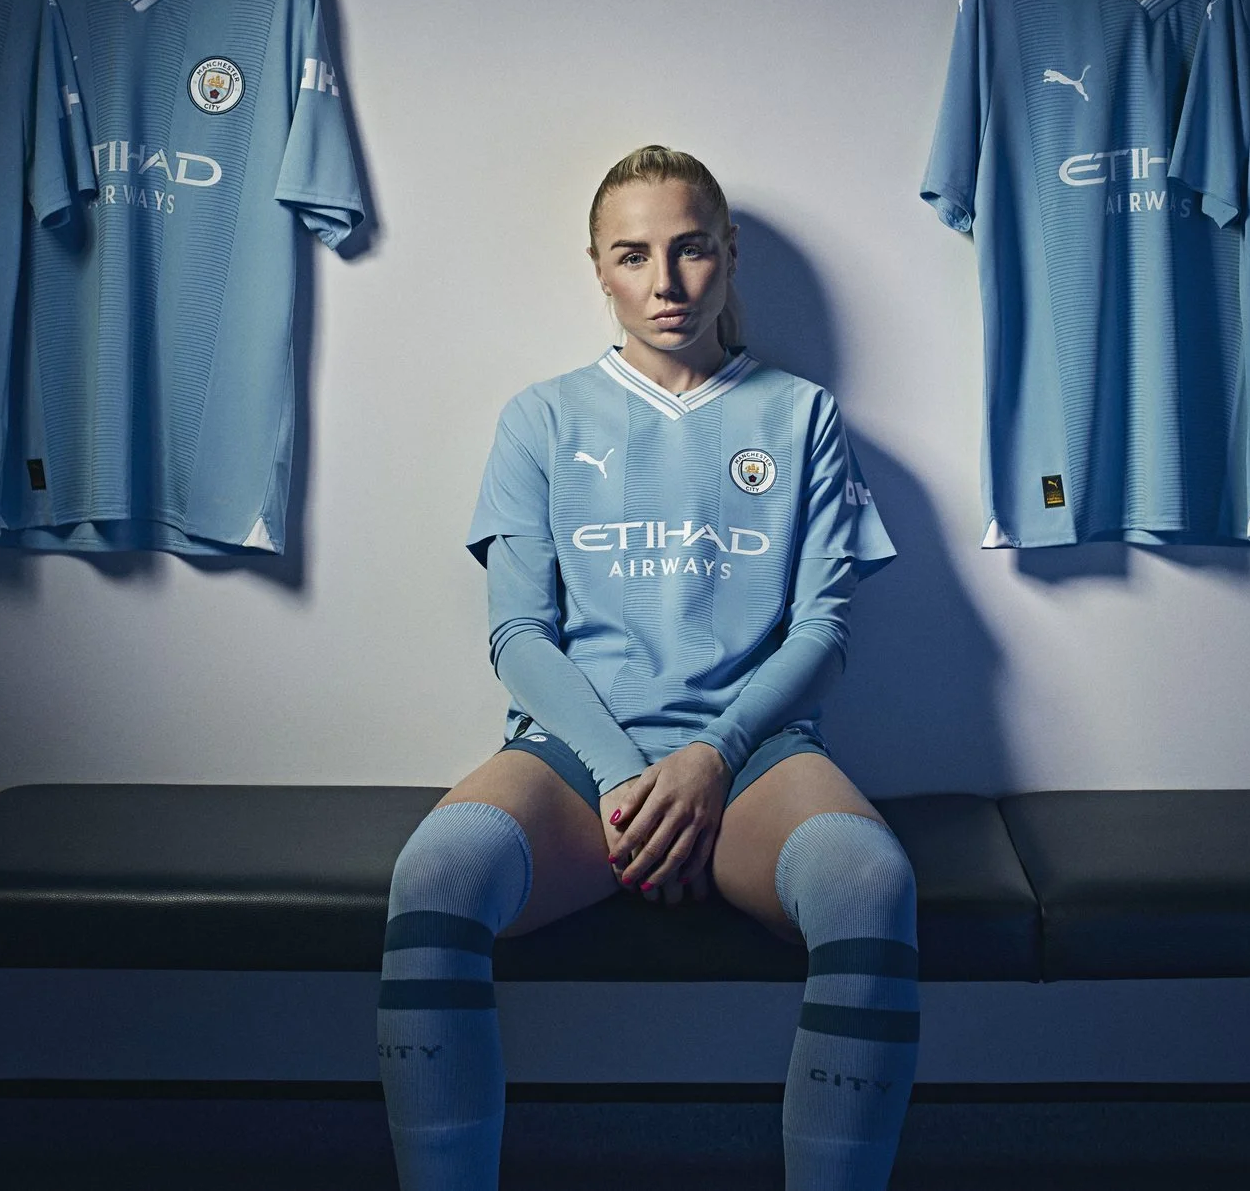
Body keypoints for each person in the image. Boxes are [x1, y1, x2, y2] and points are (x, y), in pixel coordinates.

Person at [378, 145, 916, 1191]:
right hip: (582, 766)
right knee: (432, 876)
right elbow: (518, 635)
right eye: (633, 255)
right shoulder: (541, 417)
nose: (665, 283)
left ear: (727, 254)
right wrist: (626, 776)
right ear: (598, 267)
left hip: (754, 762)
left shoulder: (801, 414)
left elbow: (824, 632)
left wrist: (712, 756)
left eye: (689, 250)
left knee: (870, 881)